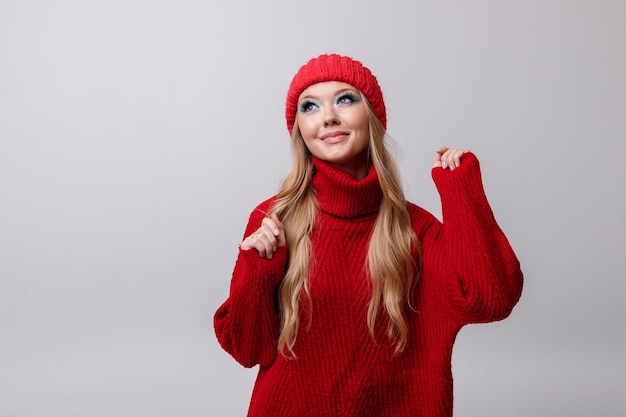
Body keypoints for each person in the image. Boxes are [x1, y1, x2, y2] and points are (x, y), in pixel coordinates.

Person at [214, 53, 523, 417]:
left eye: (345, 99)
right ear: (299, 128)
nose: (329, 115)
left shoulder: (416, 230)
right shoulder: (274, 220)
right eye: (309, 106)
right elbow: (247, 350)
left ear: (372, 116)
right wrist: (260, 271)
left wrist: (461, 190)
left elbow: (490, 300)